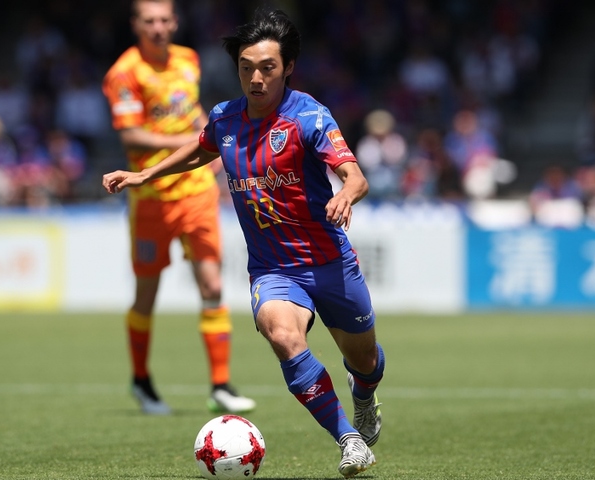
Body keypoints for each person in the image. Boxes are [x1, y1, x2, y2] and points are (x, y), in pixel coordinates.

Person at [103, 8, 384, 478]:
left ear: (287, 67)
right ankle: (348, 439)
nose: (255, 78)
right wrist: (145, 174)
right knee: (283, 336)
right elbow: (199, 149)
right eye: (246, 67)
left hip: (330, 261)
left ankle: (365, 396)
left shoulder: (308, 115)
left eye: (267, 68)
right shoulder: (225, 118)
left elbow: (355, 176)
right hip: (273, 269)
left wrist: (345, 194)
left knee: (366, 362)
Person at [101, 0, 255, 416]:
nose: (158, 27)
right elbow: (132, 137)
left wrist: (209, 142)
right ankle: (141, 381)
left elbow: (193, 112)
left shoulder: (188, 59)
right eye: (149, 20)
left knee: (213, 286)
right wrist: (194, 143)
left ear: (174, 22)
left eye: (164, 19)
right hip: (151, 198)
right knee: (146, 294)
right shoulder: (124, 73)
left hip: (196, 191)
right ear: (135, 24)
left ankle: (220, 385)